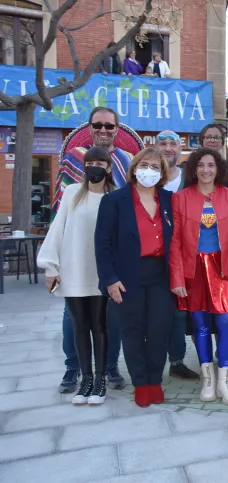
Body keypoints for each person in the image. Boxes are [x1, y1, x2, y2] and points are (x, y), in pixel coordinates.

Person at [52, 107, 131, 394]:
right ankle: (73, 367)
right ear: (90, 127)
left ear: (117, 130)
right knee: (73, 316)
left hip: (110, 258)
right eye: (98, 125)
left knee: (111, 315)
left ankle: (109, 366)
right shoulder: (75, 159)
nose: (104, 130)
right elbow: (60, 210)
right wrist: (55, 261)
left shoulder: (125, 161)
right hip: (76, 255)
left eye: (109, 126)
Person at [94, 148, 175, 408]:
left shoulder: (170, 200)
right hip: (128, 276)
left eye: (155, 167)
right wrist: (109, 278)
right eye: (144, 165)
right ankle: (140, 383)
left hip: (161, 275)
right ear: (134, 168)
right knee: (133, 331)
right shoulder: (114, 201)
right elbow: (102, 243)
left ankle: (154, 381)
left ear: (162, 173)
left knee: (159, 331)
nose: (148, 171)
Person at [38, 147, 115, 405]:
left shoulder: (115, 196)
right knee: (79, 326)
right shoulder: (72, 193)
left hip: (101, 273)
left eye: (99, 162)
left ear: (108, 167)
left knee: (99, 326)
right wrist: (50, 266)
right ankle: (85, 379)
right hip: (73, 269)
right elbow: (57, 229)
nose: (94, 166)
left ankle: (101, 381)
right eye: (90, 162)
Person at [169, 148, 228, 405]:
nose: (206, 170)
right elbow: (176, 241)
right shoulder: (180, 198)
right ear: (193, 168)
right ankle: (208, 381)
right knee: (200, 327)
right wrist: (177, 278)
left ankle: (225, 382)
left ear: (218, 168)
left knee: (226, 324)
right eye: (200, 165)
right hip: (193, 270)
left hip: (222, 269)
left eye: (211, 165)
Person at [155, 130, 200, 381]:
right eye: (163, 143)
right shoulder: (148, 177)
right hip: (154, 256)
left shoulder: (188, 179)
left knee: (180, 311)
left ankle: (177, 361)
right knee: (156, 311)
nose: (169, 148)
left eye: (174, 143)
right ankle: (154, 361)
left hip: (186, 256)